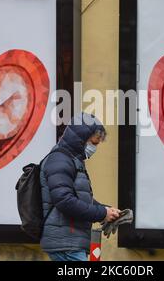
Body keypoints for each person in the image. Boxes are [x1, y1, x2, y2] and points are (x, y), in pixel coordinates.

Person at [40, 112, 120, 261]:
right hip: (65, 244)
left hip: (70, 242)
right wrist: (101, 213)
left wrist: (107, 211)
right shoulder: (60, 160)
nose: (94, 149)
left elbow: (81, 198)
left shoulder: (72, 160)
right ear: (80, 139)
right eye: (94, 143)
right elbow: (64, 201)